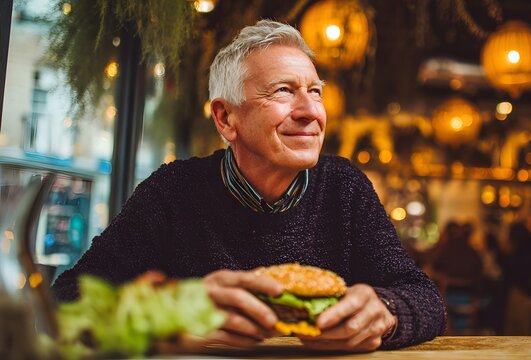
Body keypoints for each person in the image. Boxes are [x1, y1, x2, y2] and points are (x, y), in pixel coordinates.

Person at [52, 20, 445, 351]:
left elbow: (424, 297)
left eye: (315, 92)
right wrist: (172, 312)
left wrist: (386, 313)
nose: (311, 112)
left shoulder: (344, 188)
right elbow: (67, 299)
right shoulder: (174, 191)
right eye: (284, 91)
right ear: (225, 119)